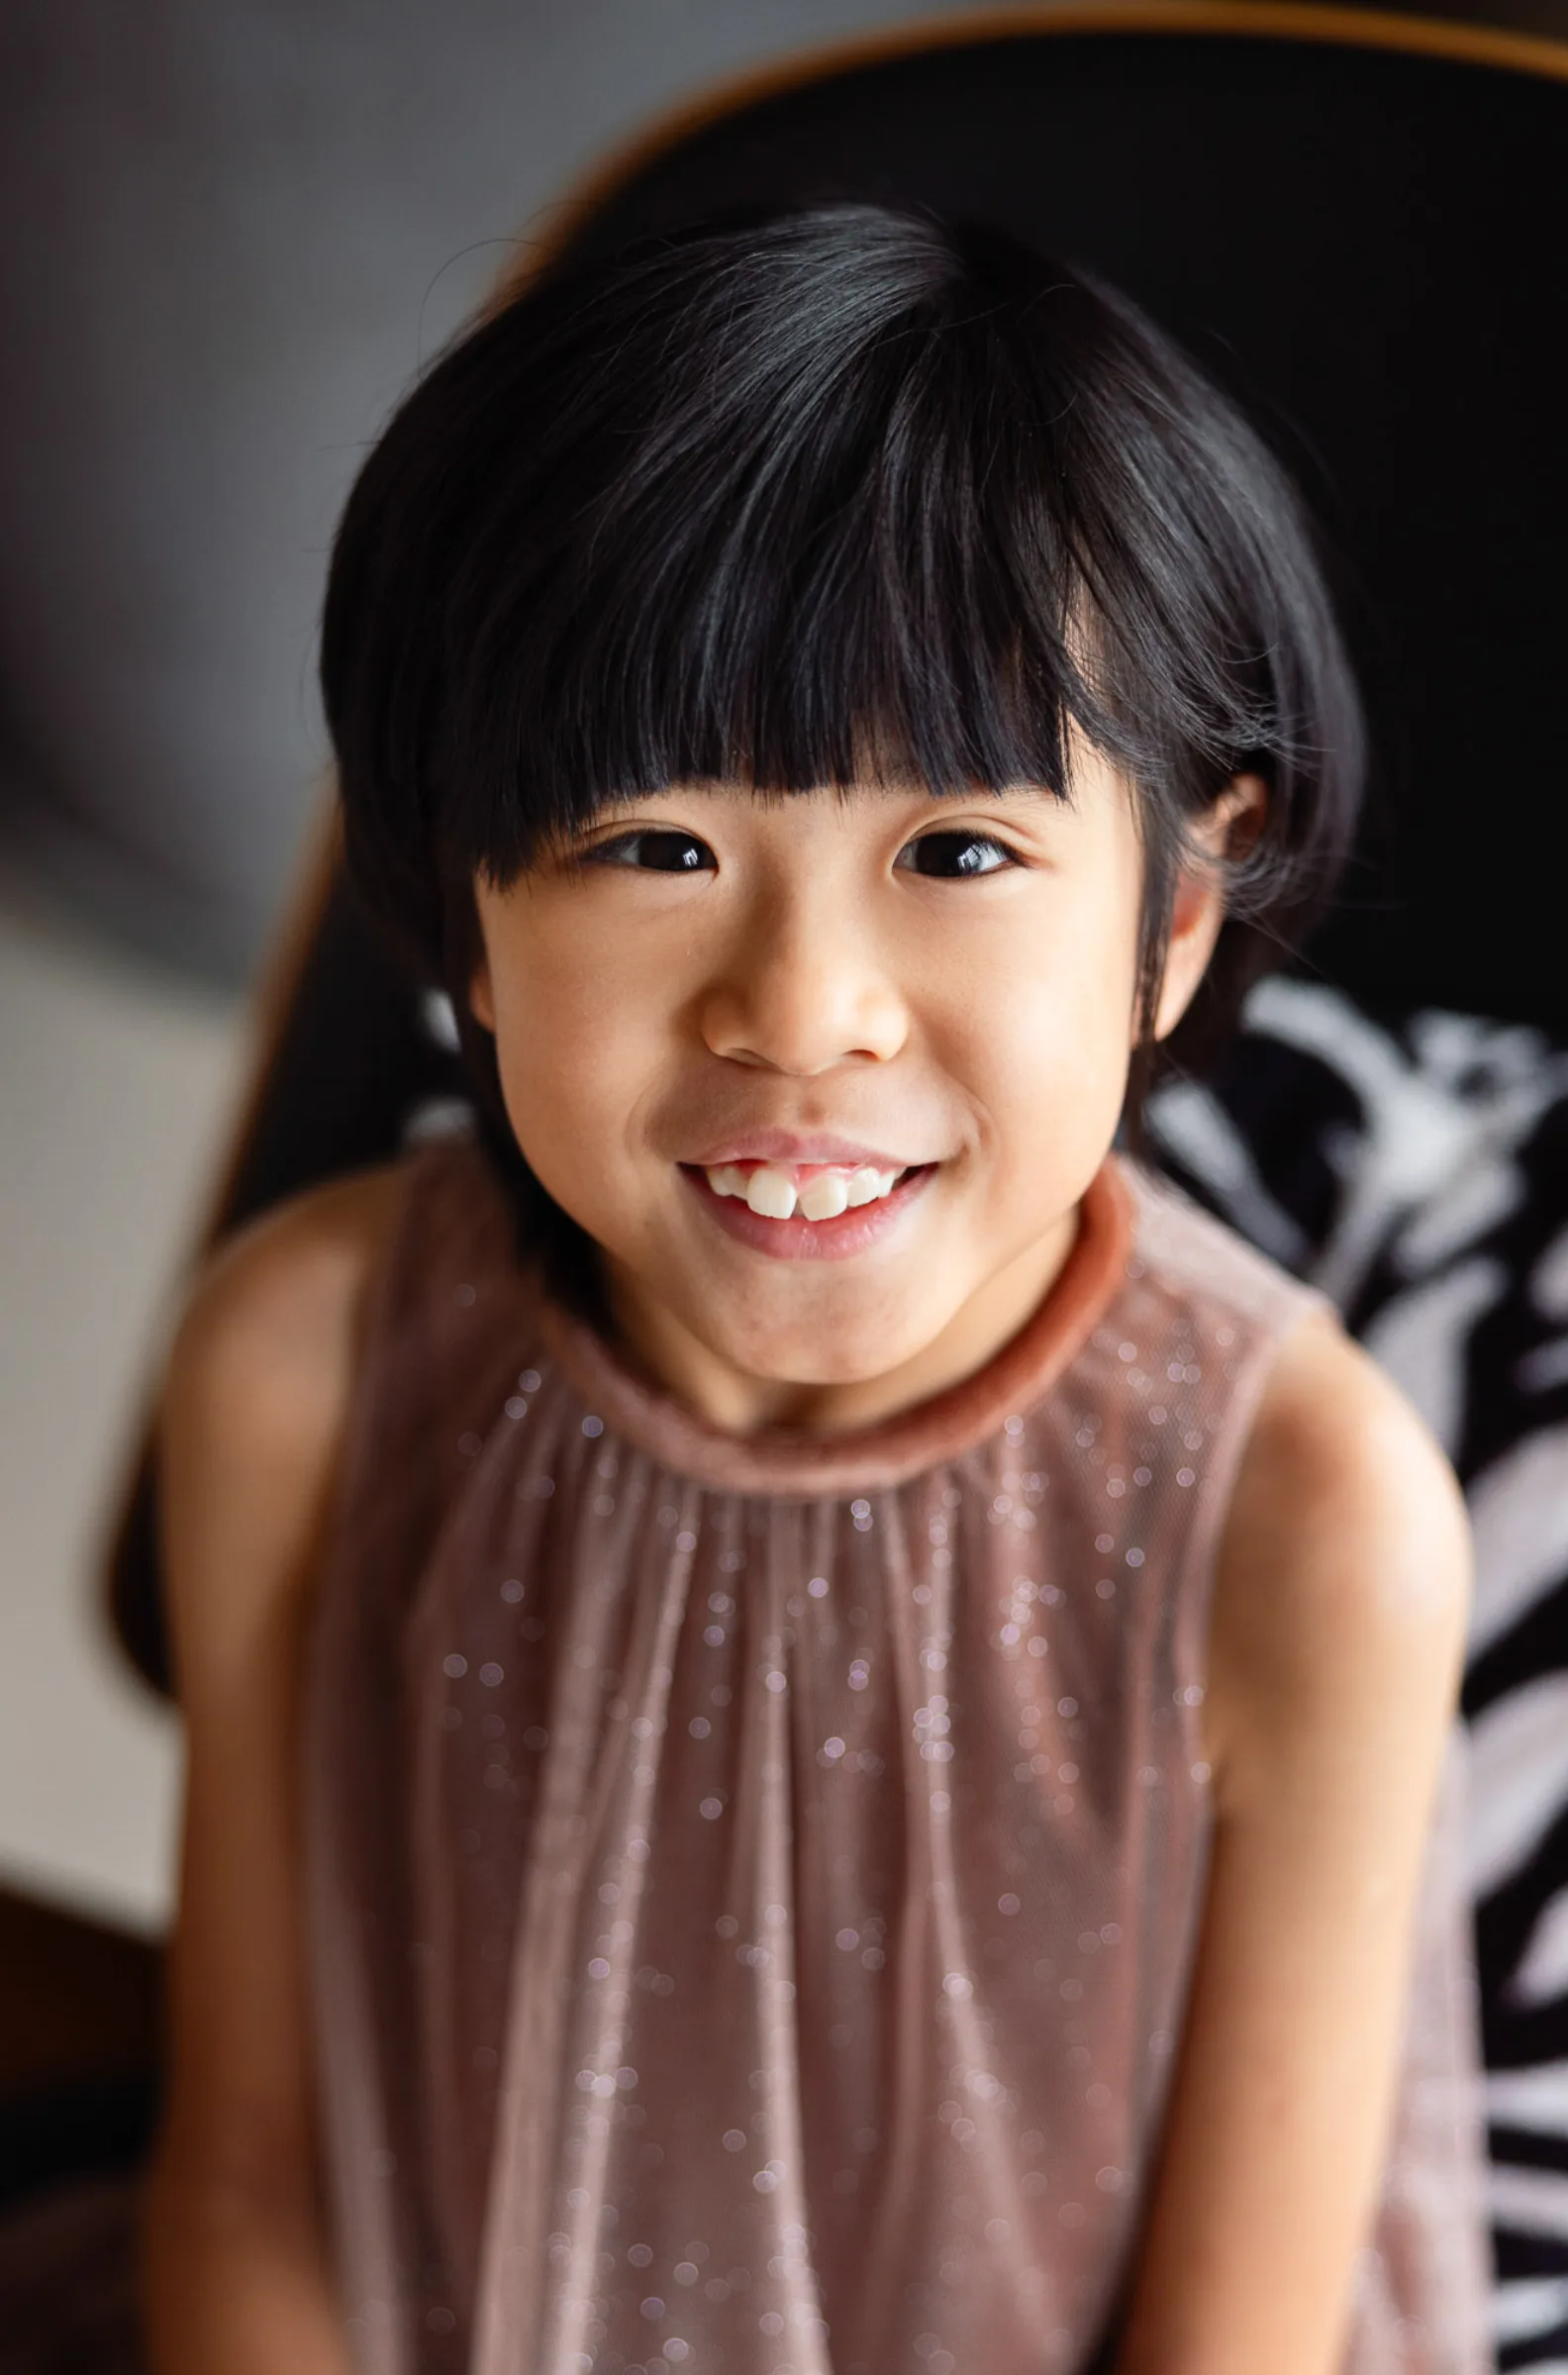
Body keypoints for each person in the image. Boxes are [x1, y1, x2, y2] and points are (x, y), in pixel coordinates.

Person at [142, 204, 1490, 2375]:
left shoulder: (1306, 1528)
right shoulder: (300, 1364)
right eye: (653, 845)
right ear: (468, 912)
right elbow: (245, 2181)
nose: (799, 1011)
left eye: (956, 851)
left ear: (1166, 921)